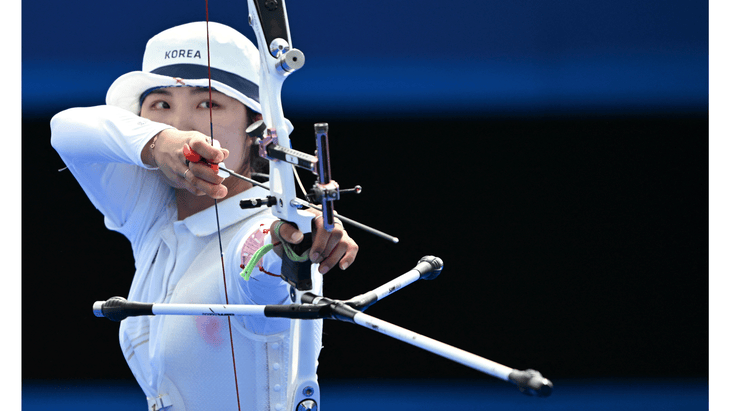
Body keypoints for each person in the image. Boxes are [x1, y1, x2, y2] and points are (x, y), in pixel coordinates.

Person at [51, 21, 358, 411]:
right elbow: (65, 130)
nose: (180, 125)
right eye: (161, 105)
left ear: (256, 131)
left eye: (208, 104)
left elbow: (262, 254)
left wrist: (292, 242)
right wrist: (158, 143)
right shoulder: (152, 208)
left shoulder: (260, 226)